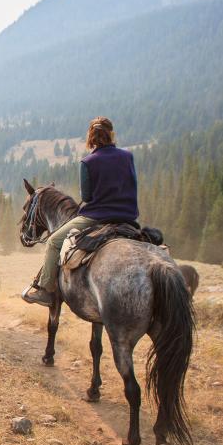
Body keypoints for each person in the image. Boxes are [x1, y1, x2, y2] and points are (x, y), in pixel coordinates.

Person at [22, 117, 139, 306]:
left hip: (98, 218)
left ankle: (45, 290)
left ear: (91, 137)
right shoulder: (128, 156)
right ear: (111, 135)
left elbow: (87, 195)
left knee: (52, 242)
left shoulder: (88, 162)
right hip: (128, 218)